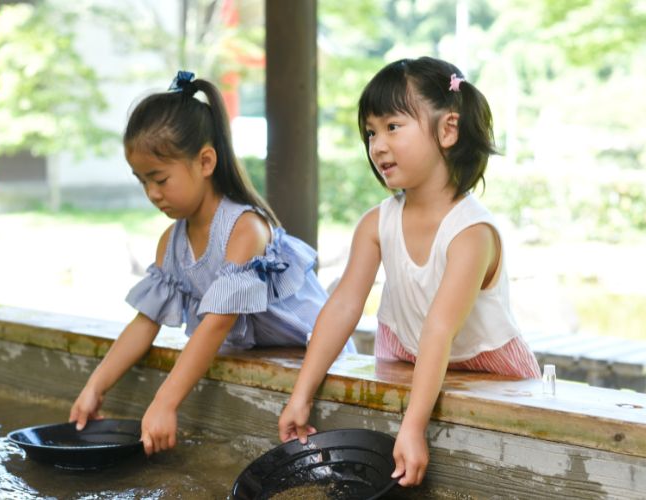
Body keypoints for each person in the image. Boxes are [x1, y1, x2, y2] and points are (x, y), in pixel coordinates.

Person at [277, 57, 541, 487]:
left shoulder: (470, 232)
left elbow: (439, 327)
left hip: (485, 369)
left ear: (448, 130)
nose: (377, 145)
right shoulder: (376, 223)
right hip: (410, 361)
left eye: (393, 126)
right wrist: (300, 393)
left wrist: (413, 426)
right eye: (370, 132)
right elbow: (343, 304)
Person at [69, 71, 353, 456]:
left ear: (205, 161)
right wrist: (95, 387)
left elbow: (217, 322)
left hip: (323, 358)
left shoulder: (244, 229)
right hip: (269, 358)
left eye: (160, 178)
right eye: (142, 181)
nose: (152, 193)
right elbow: (144, 323)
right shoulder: (170, 243)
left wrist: (165, 402)